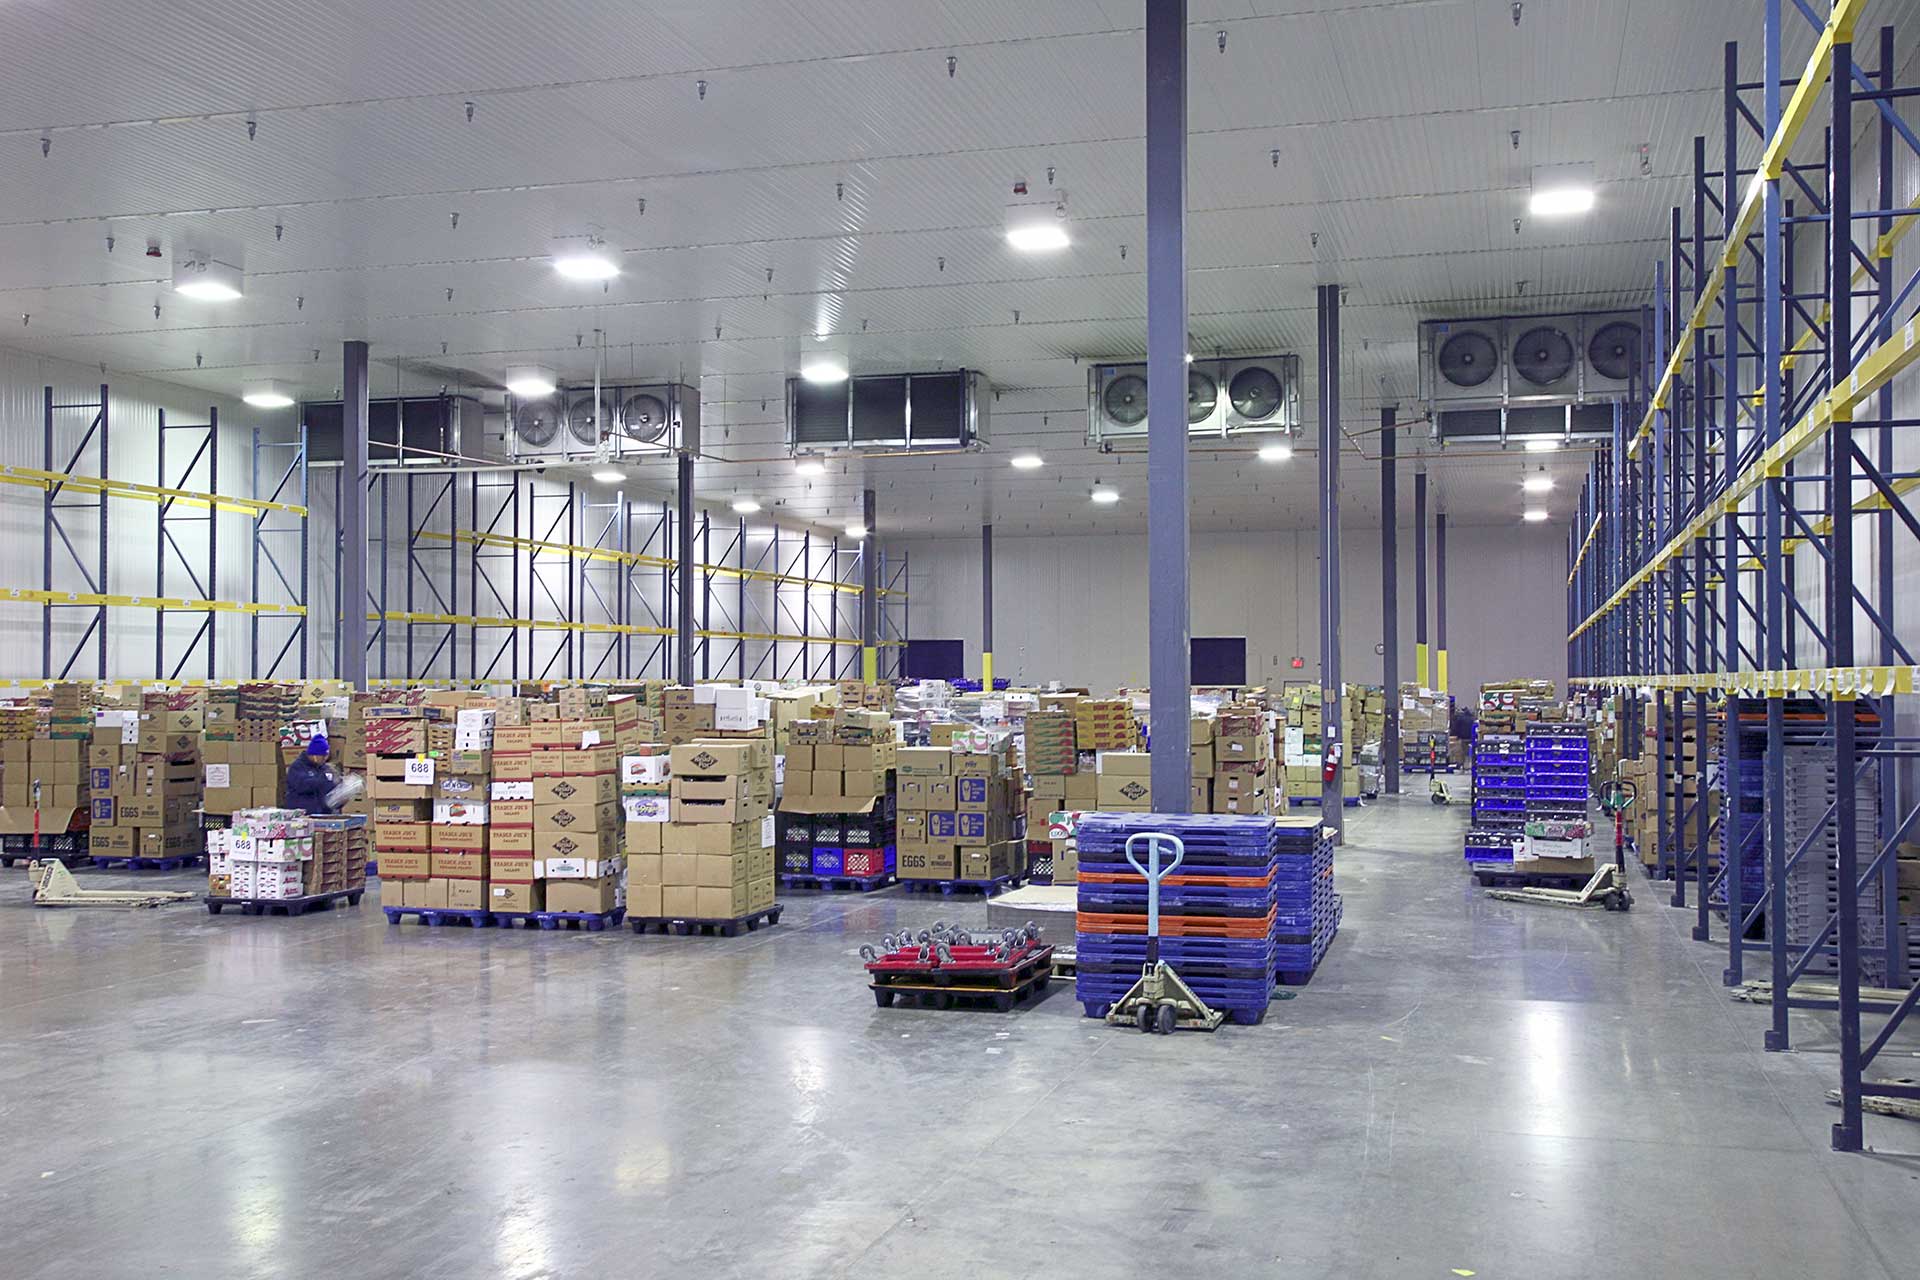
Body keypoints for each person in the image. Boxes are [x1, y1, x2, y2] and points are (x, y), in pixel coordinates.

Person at [285, 734, 341, 815]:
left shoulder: (324, 768)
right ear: (314, 754)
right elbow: (303, 786)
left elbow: (329, 791)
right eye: (323, 756)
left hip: (322, 815)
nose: (325, 759)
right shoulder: (297, 767)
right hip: (302, 816)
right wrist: (323, 778)